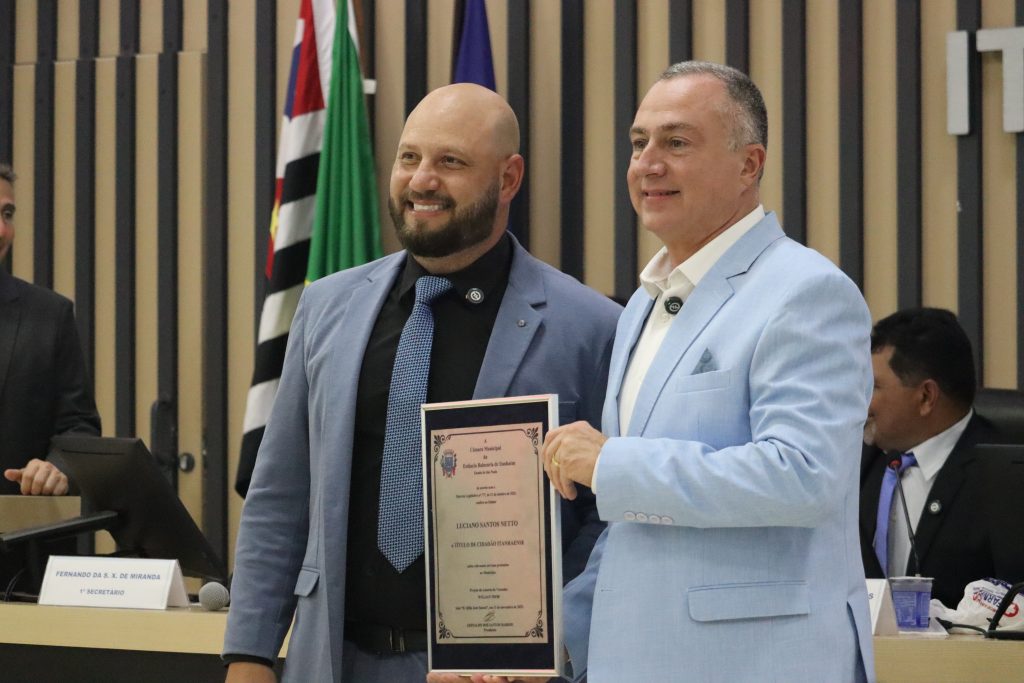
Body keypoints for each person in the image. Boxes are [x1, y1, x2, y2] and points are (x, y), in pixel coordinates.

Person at [223, 84, 621, 683]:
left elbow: (611, 515)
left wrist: (551, 641)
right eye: (409, 157)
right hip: (332, 662)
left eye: (450, 161)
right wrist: (249, 655)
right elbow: (280, 497)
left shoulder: (590, 327)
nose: (422, 180)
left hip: (497, 675)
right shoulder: (327, 307)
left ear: (508, 178)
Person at [529, 61, 874, 683]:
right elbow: (631, 528)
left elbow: (804, 475)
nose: (647, 164)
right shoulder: (642, 307)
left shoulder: (806, 290)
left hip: (759, 664)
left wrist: (611, 464)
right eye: (639, 142)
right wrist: (549, 646)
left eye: (677, 143)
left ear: (749, 165)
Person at [859, 307, 1024, 607]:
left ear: (926, 397)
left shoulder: (1005, 479)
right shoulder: (858, 461)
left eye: (874, 387)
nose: (862, 402)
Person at [0, 163, 101, 496]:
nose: (2, 230)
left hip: (19, 522)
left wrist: (57, 468)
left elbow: (80, 427)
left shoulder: (49, 316)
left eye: (7, 214)